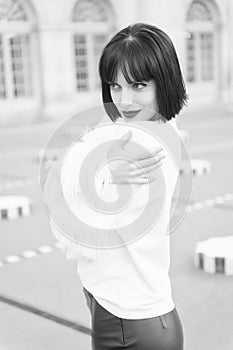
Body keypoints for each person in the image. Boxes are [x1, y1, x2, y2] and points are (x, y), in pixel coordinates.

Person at [43, 23, 187, 350]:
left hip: (131, 324)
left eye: (138, 85)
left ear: (163, 81)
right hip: (125, 311)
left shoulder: (144, 149)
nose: (125, 100)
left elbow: (85, 226)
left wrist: (87, 171)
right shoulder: (144, 127)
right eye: (115, 86)